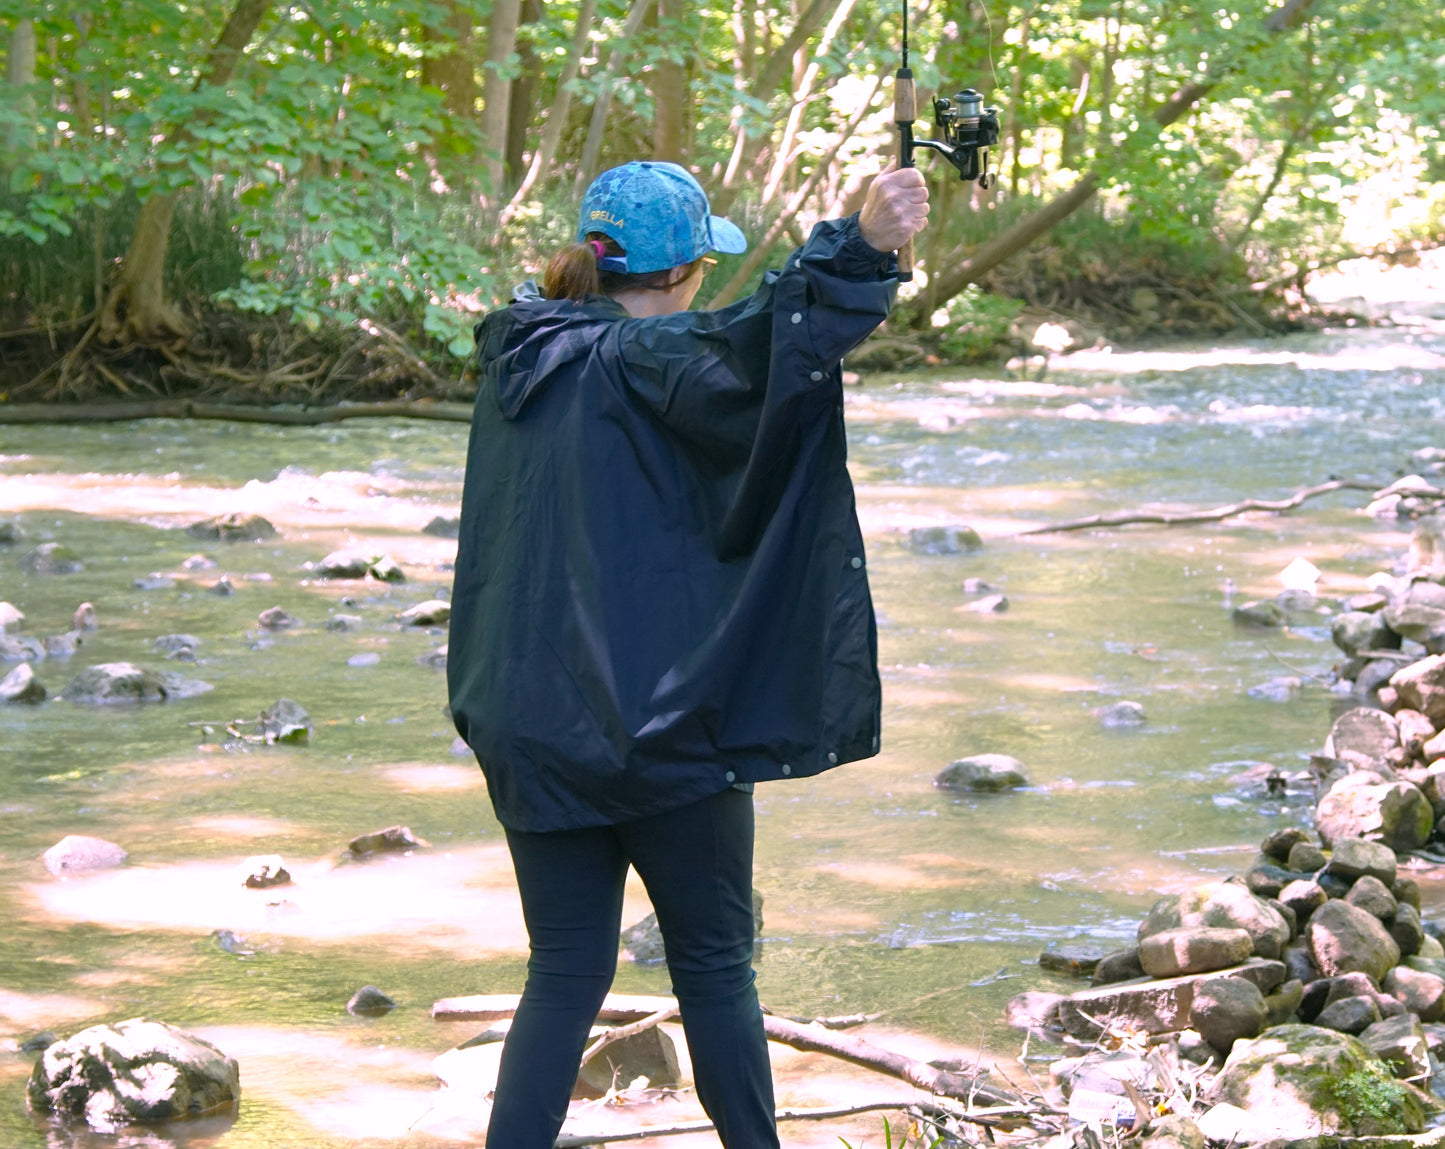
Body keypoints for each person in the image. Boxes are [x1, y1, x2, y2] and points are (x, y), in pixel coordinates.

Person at [447, 158, 929, 1148]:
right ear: (680, 273)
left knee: (565, 970)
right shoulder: (646, 362)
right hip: (659, 733)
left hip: (527, 724)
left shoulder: (519, 356)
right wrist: (865, 240)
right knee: (713, 966)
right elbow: (764, 338)